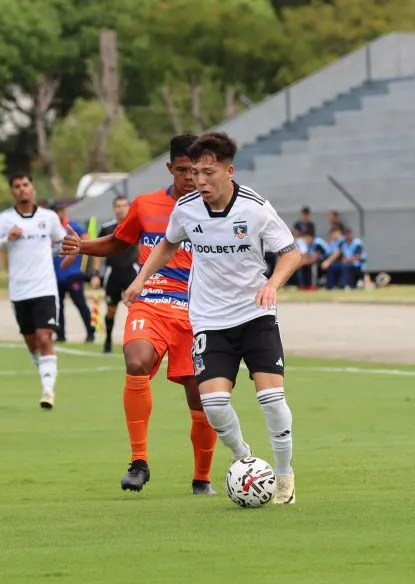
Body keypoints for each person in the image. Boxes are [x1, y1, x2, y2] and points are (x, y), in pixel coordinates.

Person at [124, 131, 301, 505]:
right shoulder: (186, 208)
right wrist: (140, 280)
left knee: (270, 397)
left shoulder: (255, 208)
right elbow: (168, 244)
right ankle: (245, 460)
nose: (198, 180)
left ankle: (284, 477)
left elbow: (290, 253)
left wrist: (272, 283)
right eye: (194, 173)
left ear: (228, 171)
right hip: (209, 321)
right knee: (215, 406)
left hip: (255, 316)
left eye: (207, 173)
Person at [60, 134, 218, 495]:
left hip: (198, 312)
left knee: (201, 396)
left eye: (196, 171)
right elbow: (120, 241)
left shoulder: (216, 208)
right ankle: (139, 462)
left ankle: (202, 478)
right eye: (182, 170)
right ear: (170, 168)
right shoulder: (146, 205)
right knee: (136, 362)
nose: (190, 179)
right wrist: (82, 245)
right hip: (151, 302)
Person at [0, 173, 71, 410]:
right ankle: (44, 372)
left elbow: (64, 242)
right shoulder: (5, 219)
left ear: (33, 188)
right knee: (32, 343)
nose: (22, 189)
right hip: (20, 291)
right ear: (13, 191)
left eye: (26, 185)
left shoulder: (48, 217)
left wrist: (67, 256)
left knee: (45, 337)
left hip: (45, 288)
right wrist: (5, 240)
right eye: (17, 186)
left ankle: (48, 391)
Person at [91, 195, 137, 354]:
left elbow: (144, 247)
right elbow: (98, 251)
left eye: (124, 205)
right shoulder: (107, 228)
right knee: (111, 310)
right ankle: (108, 340)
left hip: (132, 272)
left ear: (129, 207)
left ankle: (134, 343)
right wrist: (96, 273)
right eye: (117, 206)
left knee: (136, 309)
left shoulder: (136, 225)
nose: (120, 209)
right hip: (113, 273)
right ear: (113, 208)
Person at [52, 202, 95, 344]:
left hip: (72, 273)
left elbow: (86, 239)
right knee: (58, 306)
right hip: (56, 275)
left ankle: (90, 332)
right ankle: (60, 334)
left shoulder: (72, 226)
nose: (59, 214)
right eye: (56, 212)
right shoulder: (51, 229)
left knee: (80, 304)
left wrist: (77, 253)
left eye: (61, 211)